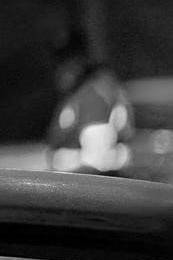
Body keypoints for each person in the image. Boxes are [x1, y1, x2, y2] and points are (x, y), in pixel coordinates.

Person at [45, 27, 134, 175]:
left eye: (65, 64)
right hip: (86, 175)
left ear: (79, 62)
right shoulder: (80, 93)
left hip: (91, 180)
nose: (59, 72)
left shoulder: (96, 93)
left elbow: (97, 156)